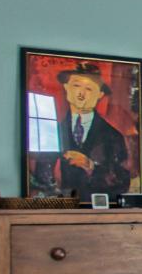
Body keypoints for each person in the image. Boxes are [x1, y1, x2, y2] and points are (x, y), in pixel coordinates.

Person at [47, 64, 132, 198]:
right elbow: (41, 177)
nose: (81, 93)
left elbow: (122, 182)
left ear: (100, 94)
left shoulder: (113, 136)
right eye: (76, 85)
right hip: (65, 207)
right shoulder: (53, 132)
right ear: (66, 87)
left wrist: (91, 167)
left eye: (89, 88)